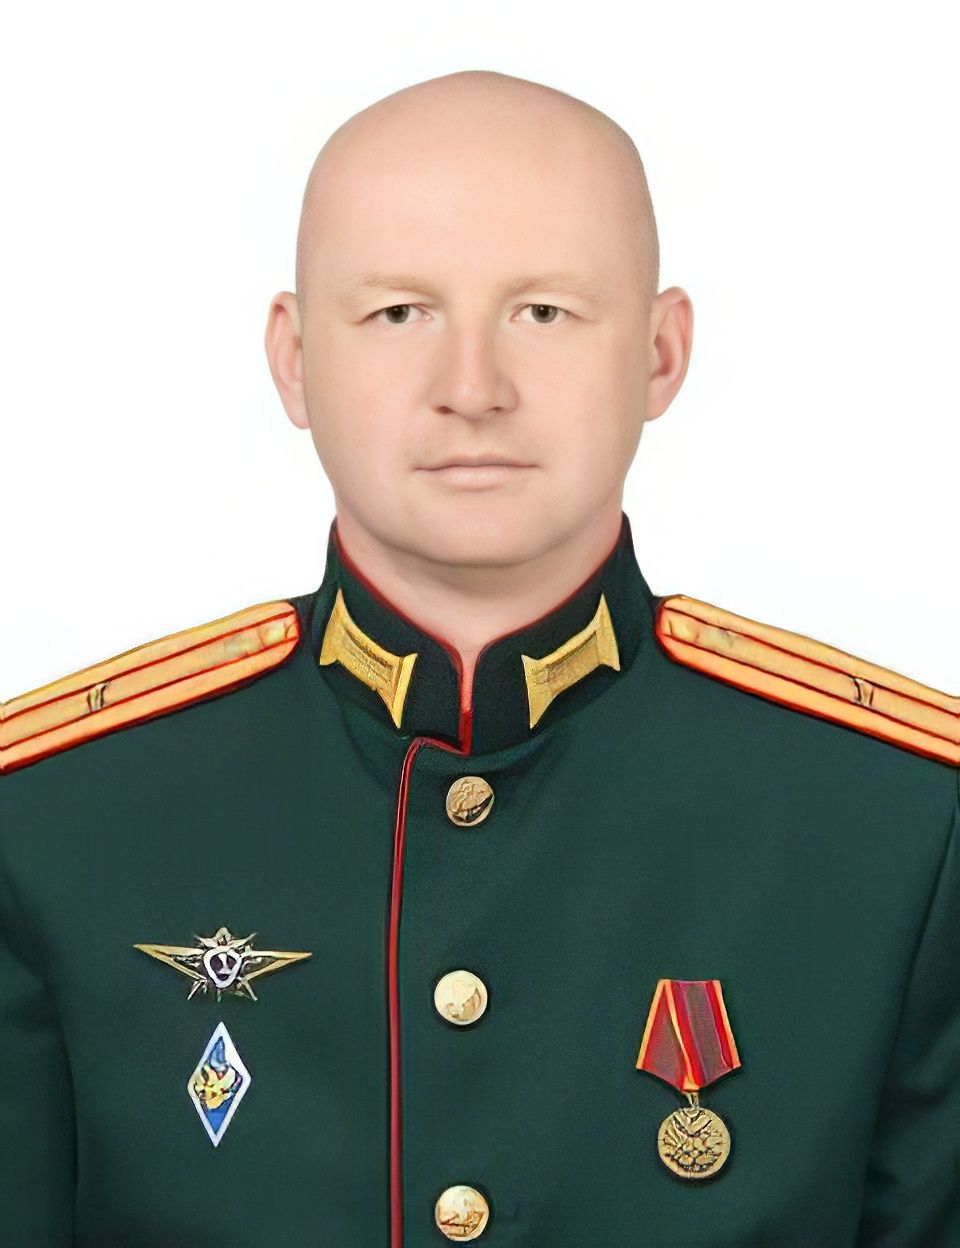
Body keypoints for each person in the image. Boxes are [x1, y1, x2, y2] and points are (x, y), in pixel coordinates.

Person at [1, 67, 957, 1248]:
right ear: (294, 359)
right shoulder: (54, 821)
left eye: (542, 313)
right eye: (400, 314)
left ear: (661, 355)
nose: (473, 390)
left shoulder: (900, 828)